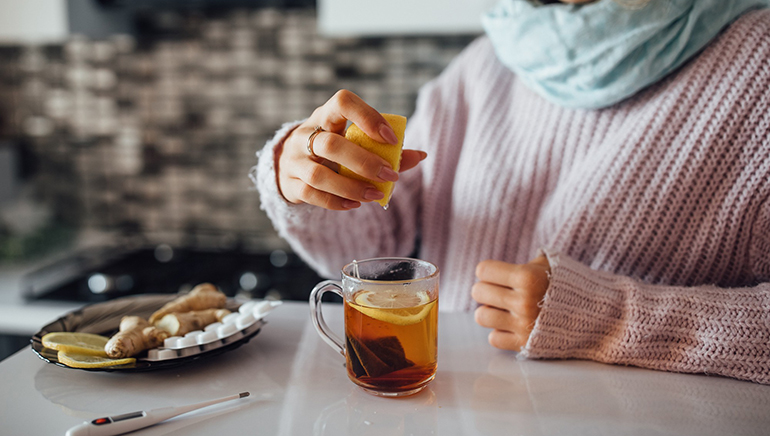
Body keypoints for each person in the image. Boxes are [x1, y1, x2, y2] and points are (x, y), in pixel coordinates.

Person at [252, 0, 770, 385]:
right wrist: (304, 177)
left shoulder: (758, 64)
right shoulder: (485, 65)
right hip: (445, 415)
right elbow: (364, 250)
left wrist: (606, 320)